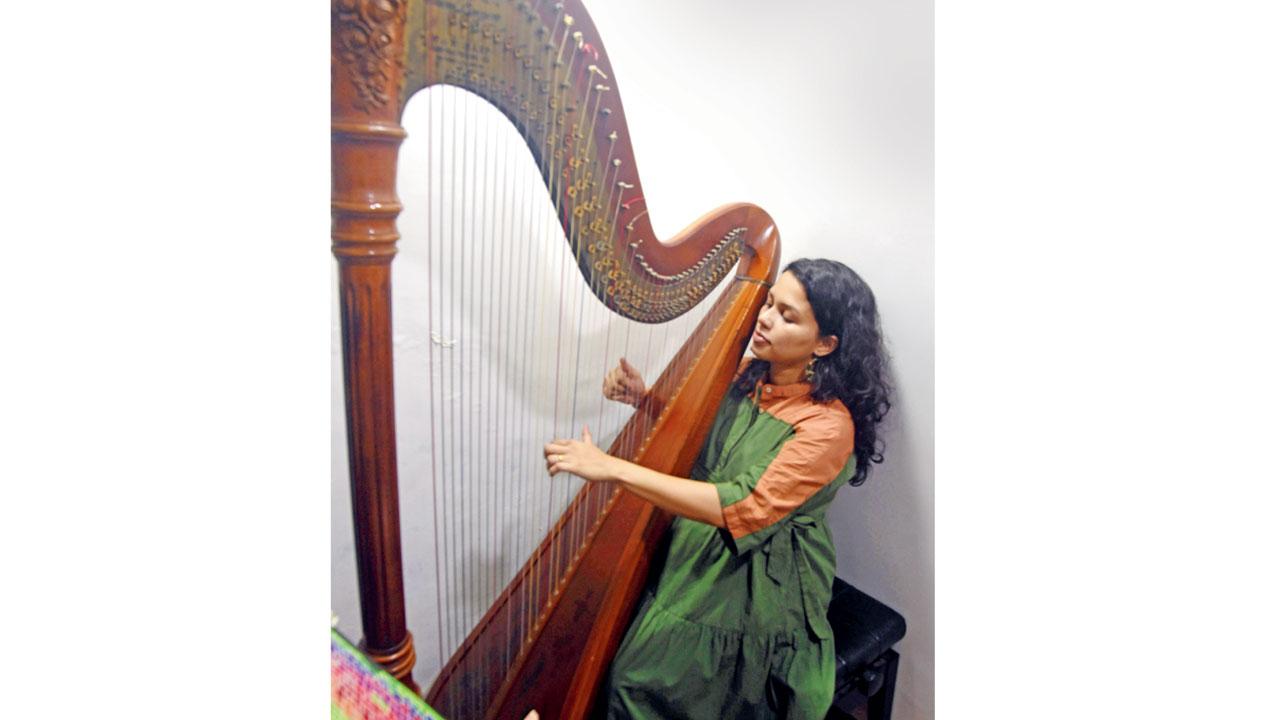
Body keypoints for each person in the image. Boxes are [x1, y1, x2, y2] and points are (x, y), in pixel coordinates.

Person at [543, 258, 892, 719]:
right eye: (769, 304)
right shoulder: (748, 372)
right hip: (699, 532)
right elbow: (708, 441)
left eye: (788, 316)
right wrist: (645, 399)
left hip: (758, 570)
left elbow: (741, 506)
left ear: (825, 344)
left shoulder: (827, 426)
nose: (765, 319)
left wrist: (613, 468)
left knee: (638, 680)